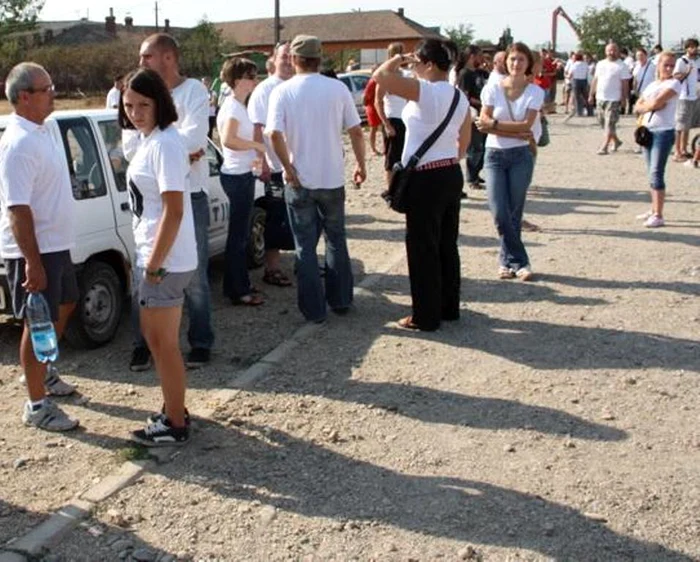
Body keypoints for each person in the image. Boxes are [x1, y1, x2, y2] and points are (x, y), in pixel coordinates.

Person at [127, 33, 214, 370]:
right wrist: (179, 152)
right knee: (144, 280)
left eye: (146, 56)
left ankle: (200, 342)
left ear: (167, 57)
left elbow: (195, 137)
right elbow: (132, 148)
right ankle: (144, 345)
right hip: (150, 202)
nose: (141, 63)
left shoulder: (192, 91)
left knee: (193, 277)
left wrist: (169, 148)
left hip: (190, 196)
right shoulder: (138, 93)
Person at [0, 62, 79, 432]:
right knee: (37, 323)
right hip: (36, 250)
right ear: (25, 97)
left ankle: (44, 373)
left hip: (57, 244)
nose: (54, 93)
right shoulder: (18, 142)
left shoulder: (44, 128)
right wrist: (32, 262)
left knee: (66, 304)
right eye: (47, 88)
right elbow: (17, 209)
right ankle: (36, 406)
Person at [119, 68, 196, 446]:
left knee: (163, 344)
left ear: (159, 104)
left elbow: (174, 210)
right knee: (155, 338)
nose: (135, 112)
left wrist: (154, 263)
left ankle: (175, 424)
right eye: (129, 104)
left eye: (143, 104)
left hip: (165, 261)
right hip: (156, 256)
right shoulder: (149, 140)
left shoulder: (165, 143)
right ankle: (174, 409)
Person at [267, 35, 366, 323]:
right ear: (320, 59)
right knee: (336, 239)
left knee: (305, 246)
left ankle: (313, 310)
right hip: (332, 176)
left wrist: (287, 166)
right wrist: (361, 164)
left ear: (294, 59)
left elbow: (273, 133)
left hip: (300, 179)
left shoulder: (283, 92)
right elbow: (356, 131)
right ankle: (341, 300)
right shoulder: (337, 88)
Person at [374, 38, 470, 331]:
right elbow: (463, 144)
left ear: (429, 65)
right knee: (446, 244)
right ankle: (448, 307)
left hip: (425, 177)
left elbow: (380, 77)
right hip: (450, 172)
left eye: (417, 63)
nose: (412, 67)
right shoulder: (459, 97)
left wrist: (399, 58)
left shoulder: (425, 91)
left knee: (422, 247)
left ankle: (425, 315)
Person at [478, 42, 544, 281]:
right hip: (494, 155)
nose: (516, 64)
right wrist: (509, 131)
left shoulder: (535, 92)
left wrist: (495, 127)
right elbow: (482, 120)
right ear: (506, 62)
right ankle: (520, 260)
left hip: (521, 156)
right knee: (499, 212)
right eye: (512, 59)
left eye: (521, 60)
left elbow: (526, 126)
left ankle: (508, 262)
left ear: (528, 64)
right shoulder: (492, 88)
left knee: (514, 212)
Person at [217, 57, 267, 306]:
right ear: (238, 81)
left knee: (240, 235)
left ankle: (238, 284)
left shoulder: (237, 105)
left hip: (241, 173)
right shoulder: (233, 108)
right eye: (251, 76)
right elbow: (228, 139)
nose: (255, 80)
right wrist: (256, 145)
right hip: (237, 176)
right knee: (238, 237)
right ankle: (238, 290)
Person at [247, 41, 295, 288]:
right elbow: (257, 128)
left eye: (291, 56)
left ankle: (302, 263)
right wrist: (262, 162)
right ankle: (272, 268)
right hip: (275, 167)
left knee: (297, 216)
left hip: (298, 166)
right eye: (283, 56)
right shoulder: (264, 90)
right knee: (275, 218)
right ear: (274, 60)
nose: (287, 60)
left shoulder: (298, 86)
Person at [634, 52, 681, 228]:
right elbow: (638, 105)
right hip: (648, 130)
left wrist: (648, 105)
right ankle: (653, 208)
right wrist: (649, 105)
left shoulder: (675, 83)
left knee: (656, 172)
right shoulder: (653, 84)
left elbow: (657, 103)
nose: (669, 68)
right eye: (666, 65)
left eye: (672, 65)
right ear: (658, 65)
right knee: (650, 172)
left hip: (663, 131)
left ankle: (659, 214)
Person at [375, 42, 409, 191]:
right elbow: (378, 101)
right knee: (391, 158)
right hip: (392, 119)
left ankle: (402, 188)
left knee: (405, 156)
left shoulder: (405, 75)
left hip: (406, 119)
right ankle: (390, 190)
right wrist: (386, 124)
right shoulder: (385, 77)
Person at [456, 45, 489, 191]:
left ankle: (476, 173)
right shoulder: (465, 74)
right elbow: (465, 96)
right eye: (480, 55)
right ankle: (471, 177)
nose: (482, 58)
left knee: (484, 146)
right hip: (473, 113)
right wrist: (482, 103)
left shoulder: (481, 72)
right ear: (472, 56)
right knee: (475, 147)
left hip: (485, 113)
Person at [589, 42, 630, 155]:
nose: (611, 53)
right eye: (609, 50)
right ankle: (616, 140)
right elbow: (595, 80)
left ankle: (604, 146)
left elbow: (625, 83)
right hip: (600, 98)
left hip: (614, 99)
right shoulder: (600, 64)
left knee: (609, 123)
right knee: (602, 122)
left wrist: (624, 98)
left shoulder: (622, 66)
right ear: (605, 52)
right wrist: (591, 94)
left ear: (618, 51)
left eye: (614, 50)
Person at [672, 38, 698, 162]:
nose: (695, 49)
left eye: (696, 47)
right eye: (692, 47)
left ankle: (684, 149)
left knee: (687, 126)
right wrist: (686, 72)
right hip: (683, 96)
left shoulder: (698, 61)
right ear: (687, 48)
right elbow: (676, 76)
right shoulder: (681, 61)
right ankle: (677, 151)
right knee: (680, 125)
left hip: (695, 96)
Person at [363, 72, 383, 156]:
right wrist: (365, 104)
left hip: (379, 106)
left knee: (383, 128)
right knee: (373, 128)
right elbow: (365, 96)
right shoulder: (372, 82)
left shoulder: (381, 81)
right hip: (372, 107)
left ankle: (385, 147)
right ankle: (373, 149)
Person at [567, 52, 590, 117]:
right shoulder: (585, 64)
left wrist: (567, 76)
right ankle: (590, 111)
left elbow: (570, 74)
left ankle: (579, 112)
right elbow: (587, 72)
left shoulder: (574, 65)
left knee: (577, 98)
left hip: (576, 81)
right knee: (586, 97)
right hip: (584, 80)